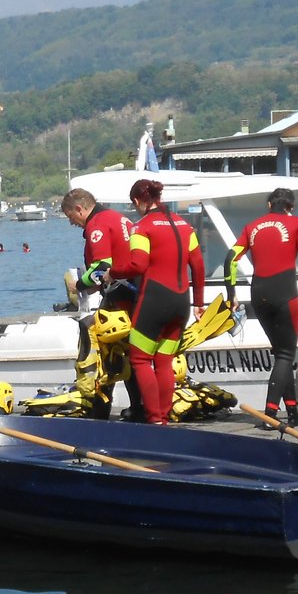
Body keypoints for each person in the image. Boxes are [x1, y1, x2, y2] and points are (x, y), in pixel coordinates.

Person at [225, 187, 298, 426]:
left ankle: (293, 413)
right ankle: (270, 415)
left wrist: (231, 294)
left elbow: (230, 260)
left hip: (259, 295)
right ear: (290, 207)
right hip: (285, 293)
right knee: (286, 354)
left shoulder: (251, 227)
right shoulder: (297, 223)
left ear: (269, 205)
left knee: (281, 354)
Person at [113, 179, 204, 425]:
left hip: (154, 299)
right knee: (164, 360)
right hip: (181, 302)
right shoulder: (185, 225)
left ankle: (154, 421)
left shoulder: (141, 227)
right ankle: (164, 417)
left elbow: (138, 265)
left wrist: (113, 272)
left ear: (136, 201)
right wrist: (199, 303)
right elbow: (197, 265)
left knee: (140, 359)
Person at [60, 186, 140, 419]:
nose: (71, 223)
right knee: (129, 353)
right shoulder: (119, 218)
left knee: (107, 352)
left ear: (79, 208)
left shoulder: (98, 224)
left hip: (120, 295)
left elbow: (102, 267)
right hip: (134, 292)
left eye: (70, 217)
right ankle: (138, 406)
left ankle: (101, 409)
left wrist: (80, 285)